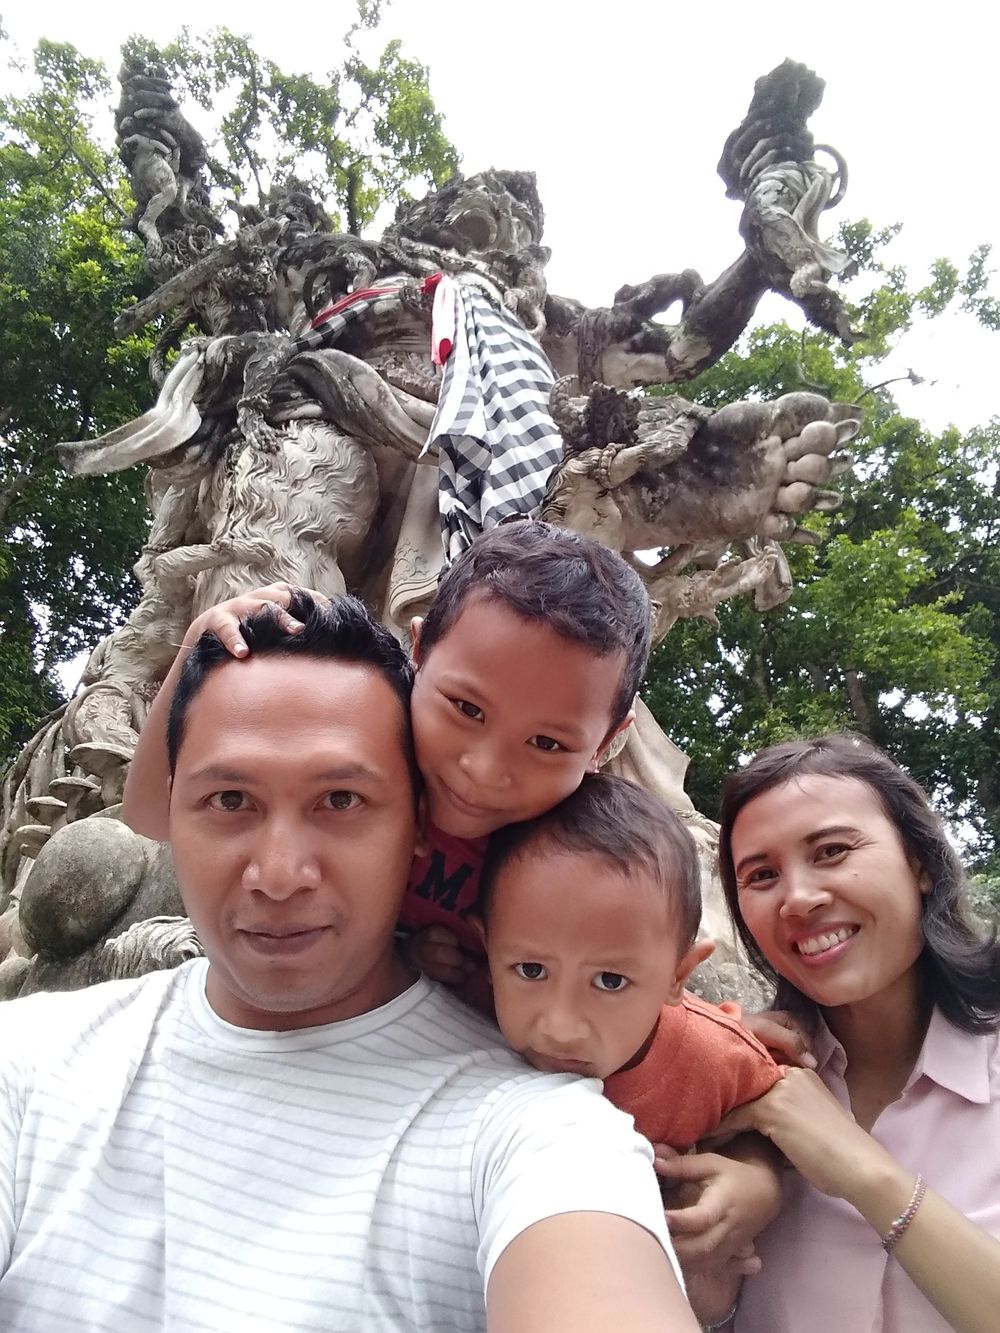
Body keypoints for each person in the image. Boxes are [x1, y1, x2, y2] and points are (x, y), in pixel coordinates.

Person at [0, 593, 697, 1333]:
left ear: (421, 821)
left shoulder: (538, 1130)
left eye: (341, 800)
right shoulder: (26, 1057)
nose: (279, 876)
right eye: (230, 798)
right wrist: (196, 641)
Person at [711, 733, 1000, 1333]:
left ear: (919, 863)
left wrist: (863, 1171)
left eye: (832, 851)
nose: (798, 899)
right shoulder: (740, 1085)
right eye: (761, 875)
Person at [474, 772, 785, 1327]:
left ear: (679, 975)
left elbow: (773, 1114)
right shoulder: (469, 1021)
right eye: (531, 970)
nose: (561, 1027)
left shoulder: (715, 1056)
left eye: (610, 981)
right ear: (486, 951)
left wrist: (757, 1178)